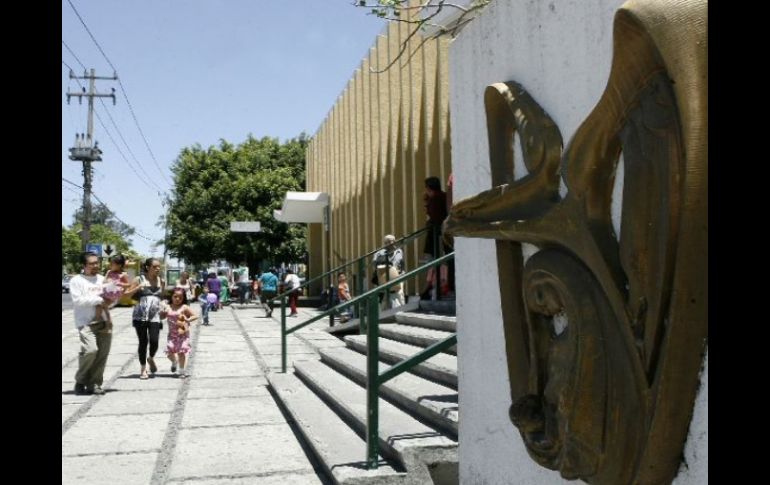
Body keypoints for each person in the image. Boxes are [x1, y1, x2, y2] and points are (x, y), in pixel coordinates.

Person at [71, 252, 118, 395]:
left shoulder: (103, 280)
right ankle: (80, 380)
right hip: (86, 322)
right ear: (84, 265)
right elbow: (78, 300)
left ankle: (95, 384)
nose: (95, 265)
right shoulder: (76, 281)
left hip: (104, 321)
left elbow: (113, 300)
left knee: (102, 354)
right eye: (92, 263)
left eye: (97, 263)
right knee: (90, 351)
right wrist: (99, 299)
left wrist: (112, 300)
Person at [131, 258, 166, 380]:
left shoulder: (161, 280)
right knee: (143, 342)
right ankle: (143, 369)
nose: (158, 269)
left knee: (155, 341)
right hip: (140, 315)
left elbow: (162, 297)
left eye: (159, 266)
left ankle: (150, 358)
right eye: (155, 267)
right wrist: (138, 287)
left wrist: (164, 306)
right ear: (147, 267)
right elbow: (127, 293)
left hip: (155, 315)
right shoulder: (139, 279)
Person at [422, 176, 449, 299]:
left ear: (429, 188)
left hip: (437, 235)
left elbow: (434, 217)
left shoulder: (435, 199)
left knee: (434, 261)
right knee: (439, 262)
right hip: (443, 233)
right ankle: (433, 287)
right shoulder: (443, 196)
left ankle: (433, 288)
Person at [95, 254, 137, 332]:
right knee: (100, 306)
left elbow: (128, 285)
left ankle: (103, 324)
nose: (110, 265)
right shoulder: (109, 272)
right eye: (110, 263)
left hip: (114, 295)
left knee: (102, 306)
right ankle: (105, 324)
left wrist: (119, 283)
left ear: (119, 265)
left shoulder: (123, 274)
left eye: (112, 264)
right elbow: (104, 281)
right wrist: (108, 281)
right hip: (106, 292)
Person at [163, 288, 198, 378]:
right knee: (169, 351)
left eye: (180, 297)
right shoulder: (168, 307)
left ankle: (182, 371)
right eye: (175, 296)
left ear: (183, 298)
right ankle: (174, 361)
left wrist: (188, 319)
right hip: (172, 334)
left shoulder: (184, 307)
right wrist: (162, 311)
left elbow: (195, 316)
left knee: (181, 352)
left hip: (182, 333)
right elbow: (161, 317)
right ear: (171, 297)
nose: (177, 299)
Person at [372, 234, 406, 308]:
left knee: (399, 294)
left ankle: (402, 309)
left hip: (397, 276)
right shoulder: (379, 253)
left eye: (391, 241)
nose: (389, 243)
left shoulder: (399, 251)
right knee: (384, 298)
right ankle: (383, 312)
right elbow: (374, 264)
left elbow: (401, 262)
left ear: (394, 241)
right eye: (387, 242)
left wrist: (403, 271)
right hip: (384, 277)